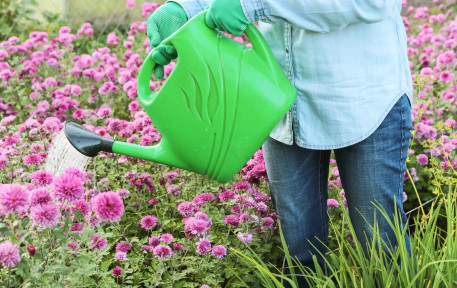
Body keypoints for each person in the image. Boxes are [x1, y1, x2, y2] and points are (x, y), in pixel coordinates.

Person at [147, 1, 413, 287]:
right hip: (280, 105)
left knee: (382, 245)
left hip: (367, 99)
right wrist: (185, 8)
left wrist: (252, 3)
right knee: (300, 253)